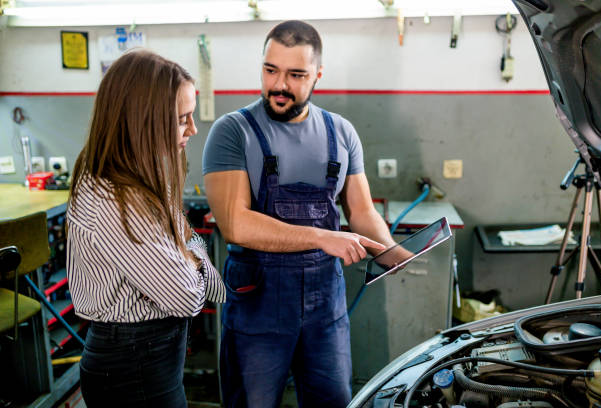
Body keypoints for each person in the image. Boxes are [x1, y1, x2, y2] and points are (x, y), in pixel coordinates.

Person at [203, 20, 396, 407]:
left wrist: (396, 253)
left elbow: (360, 212)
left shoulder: (340, 133)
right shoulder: (232, 132)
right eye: (270, 70)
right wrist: (322, 236)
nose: (279, 85)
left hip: (326, 309)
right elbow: (236, 225)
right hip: (258, 306)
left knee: (334, 401)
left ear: (317, 76)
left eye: (295, 75)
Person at [66, 49, 225, 408]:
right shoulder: (114, 195)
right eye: (181, 118)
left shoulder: (145, 175)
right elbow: (185, 297)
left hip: (152, 358)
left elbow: (185, 242)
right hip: (131, 369)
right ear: (143, 120)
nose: (193, 129)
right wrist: (192, 261)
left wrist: (187, 257)